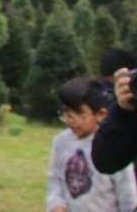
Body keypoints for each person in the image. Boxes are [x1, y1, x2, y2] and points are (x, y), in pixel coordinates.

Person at [48, 77, 137, 211]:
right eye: (66, 112)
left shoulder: (113, 146)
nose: (70, 120)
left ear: (101, 114)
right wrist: (56, 205)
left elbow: (128, 195)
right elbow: (55, 180)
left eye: (79, 113)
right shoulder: (60, 142)